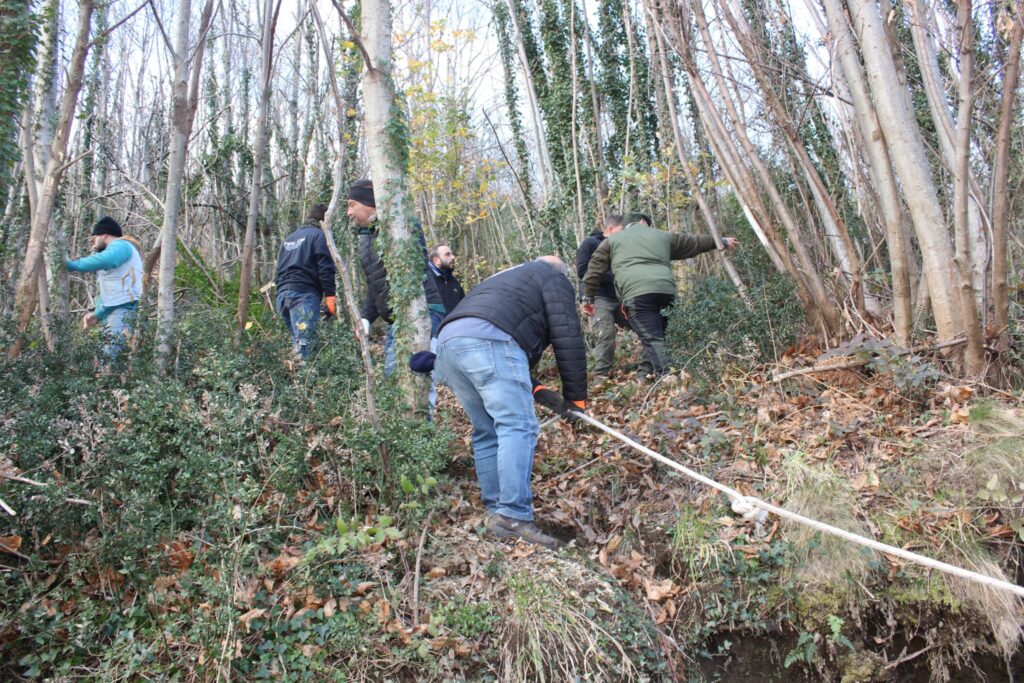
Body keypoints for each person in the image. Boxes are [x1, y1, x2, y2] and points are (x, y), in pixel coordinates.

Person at [432, 256, 588, 549]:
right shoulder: (553, 278)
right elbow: (567, 336)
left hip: (448, 343)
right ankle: (513, 515)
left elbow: (513, 358)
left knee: (487, 429)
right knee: (517, 425)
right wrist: (576, 400)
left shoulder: (504, 280)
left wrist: (544, 392)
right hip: (489, 341)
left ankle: (497, 511)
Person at [581, 213, 738, 377]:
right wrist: (722, 241)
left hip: (637, 294)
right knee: (660, 336)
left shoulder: (612, 241)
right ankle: (648, 375)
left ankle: (667, 377)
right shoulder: (663, 236)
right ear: (642, 222)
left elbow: (594, 270)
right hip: (666, 292)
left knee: (653, 338)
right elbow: (694, 242)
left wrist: (588, 298)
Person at [346, 179, 445, 372]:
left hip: (422, 311)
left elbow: (413, 266)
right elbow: (376, 285)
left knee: (414, 377)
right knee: (393, 377)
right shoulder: (366, 239)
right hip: (395, 318)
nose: (349, 212)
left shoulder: (401, 224)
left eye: (352, 205)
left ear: (369, 203)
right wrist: (366, 317)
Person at [65, 216, 144, 361]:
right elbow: (112, 294)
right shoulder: (119, 250)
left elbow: (105, 260)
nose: (92, 243)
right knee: (106, 356)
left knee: (107, 356)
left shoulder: (121, 246)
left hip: (125, 309)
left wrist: (70, 265)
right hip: (119, 309)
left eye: (94, 238)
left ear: (104, 235)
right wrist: (98, 314)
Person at [273, 203, 336, 359]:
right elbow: (325, 268)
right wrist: (330, 297)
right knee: (305, 347)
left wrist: (280, 292)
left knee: (297, 345)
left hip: (282, 297)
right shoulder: (319, 236)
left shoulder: (288, 239)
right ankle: (305, 374)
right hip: (303, 296)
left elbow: (278, 270)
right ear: (324, 220)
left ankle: (297, 373)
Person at [575, 214, 627, 380]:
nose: (624, 233)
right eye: (622, 229)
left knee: (644, 325)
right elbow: (582, 271)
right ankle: (601, 376)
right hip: (599, 297)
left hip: (621, 297)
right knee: (606, 332)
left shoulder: (622, 246)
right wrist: (613, 277)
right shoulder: (590, 243)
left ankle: (648, 368)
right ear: (611, 228)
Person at [427, 244, 465, 314]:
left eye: (452, 254)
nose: (453, 257)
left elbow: (463, 306)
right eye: (447, 254)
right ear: (436, 260)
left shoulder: (455, 282)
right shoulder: (427, 280)